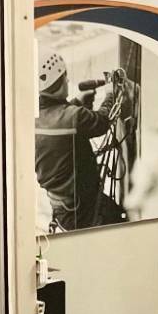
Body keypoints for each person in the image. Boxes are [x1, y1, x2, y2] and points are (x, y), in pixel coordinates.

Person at [34, 53, 116, 230]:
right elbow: (102, 122)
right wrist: (110, 94)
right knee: (123, 224)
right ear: (60, 82)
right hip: (84, 210)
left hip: (63, 209)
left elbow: (58, 118)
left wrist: (78, 101)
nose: (68, 80)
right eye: (65, 77)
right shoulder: (73, 117)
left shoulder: (35, 118)